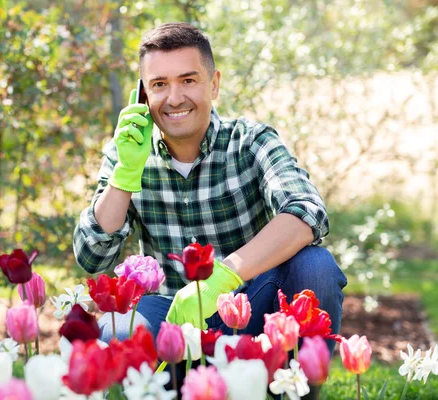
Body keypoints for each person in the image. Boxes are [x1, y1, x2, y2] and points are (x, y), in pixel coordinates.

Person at [73, 22, 347, 355]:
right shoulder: (126, 153)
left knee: (315, 266)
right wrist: (125, 173)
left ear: (214, 84)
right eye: (159, 84)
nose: (174, 98)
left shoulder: (250, 140)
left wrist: (225, 275)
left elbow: (306, 211)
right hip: (170, 318)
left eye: (188, 80)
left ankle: (291, 389)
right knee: (110, 333)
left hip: (250, 309)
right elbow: (92, 256)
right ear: (143, 95)